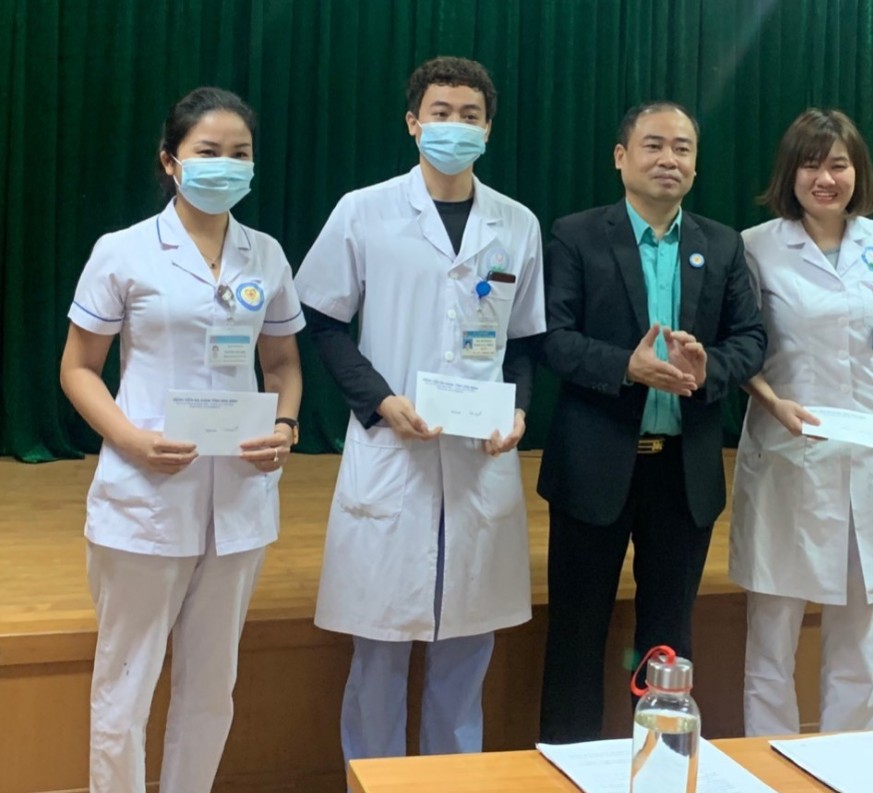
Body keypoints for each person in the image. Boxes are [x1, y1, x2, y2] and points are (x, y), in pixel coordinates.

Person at [293, 56, 545, 763]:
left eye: (470, 115)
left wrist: (519, 411)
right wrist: (379, 399)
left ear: (488, 129)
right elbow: (325, 321)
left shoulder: (516, 223)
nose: (455, 126)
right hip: (393, 448)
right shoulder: (364, 209)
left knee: (467, 650)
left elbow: (525, 340)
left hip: (478, 457)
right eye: (441, 113)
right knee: (379, 651)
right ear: (413, 122)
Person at [59, 87, 304, 793]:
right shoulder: (124, 251)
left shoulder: (266, 254)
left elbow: (283, 365)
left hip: (239, 499)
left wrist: (285, 425)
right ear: (170, 161)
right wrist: (131, 440)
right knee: (126, 686)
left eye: (240, 153)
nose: (225, 165)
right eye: (208, 151)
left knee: (211, 688)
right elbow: (78, 368)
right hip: (146, 496)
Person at [537, 101, 767, 743]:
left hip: (683, 474)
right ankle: (568, 767)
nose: (670, 159)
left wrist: (710, 367)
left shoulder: (721, 244)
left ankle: (662, 763)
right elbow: (552, 336)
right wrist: (626, 366)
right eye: (654, 145)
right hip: (594, 467)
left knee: (669, 640)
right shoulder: (577, 235)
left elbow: (751, 339)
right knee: (576, 635)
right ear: (621, 157)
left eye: (683, 149)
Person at [730, 108, 873, 736]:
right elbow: (738, 346)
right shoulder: (757, 246)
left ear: (857, 171)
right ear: (790, 174)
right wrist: (771, 401)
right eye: (811, 165)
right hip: (788, 452)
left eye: (838, 164)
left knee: (856, 633)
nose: (825, 178)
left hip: (864, 451)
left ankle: (853, 761)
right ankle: (769, 760)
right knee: (773, 635)